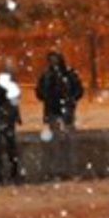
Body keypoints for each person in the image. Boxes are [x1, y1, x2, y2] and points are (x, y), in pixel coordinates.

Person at [35, 51, 83, 180]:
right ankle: (62, 170)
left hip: (61, 112)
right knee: (61, 143)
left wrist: (70, 100)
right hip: (57, 111)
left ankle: (65, 170)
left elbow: (78, 90)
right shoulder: (50, 75)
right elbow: (39, 93)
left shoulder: (54, 75)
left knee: (65, 142)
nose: (53, 63)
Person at [0, 63, 23, 185]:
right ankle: (10, 175)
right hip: (3, 120)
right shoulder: (7, 89)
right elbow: (11, 103)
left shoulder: (1, 88)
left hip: (0, 120)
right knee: (8, 148)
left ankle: (2, 175)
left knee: (1, 149)